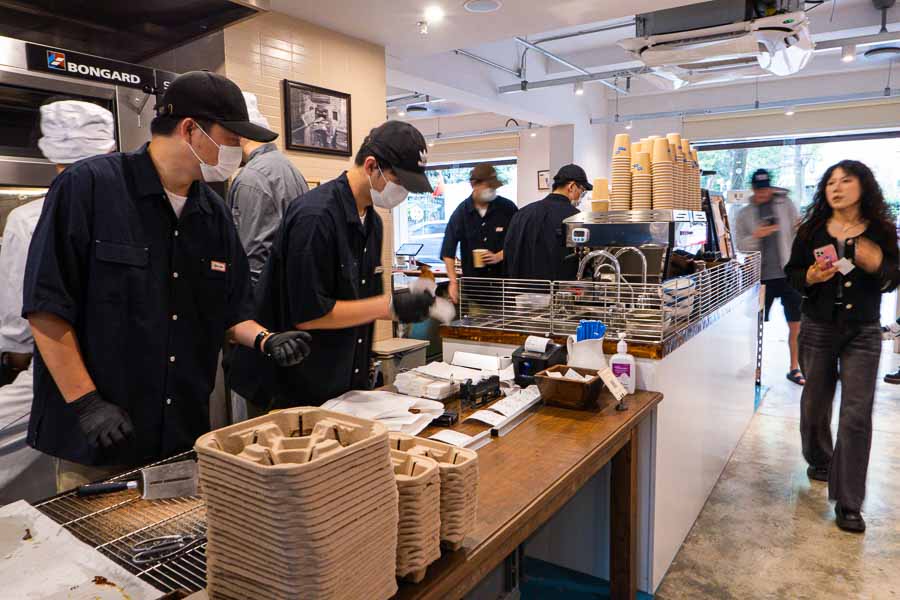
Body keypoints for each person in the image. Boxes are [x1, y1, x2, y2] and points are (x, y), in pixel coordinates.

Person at [22, 71, 312, 491]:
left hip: (178, 437)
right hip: (99, 440)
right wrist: (87, 404)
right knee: (94, 556)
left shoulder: (212, 214)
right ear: (191, 129)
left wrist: (267, 339)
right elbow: (46, 308)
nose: (237, 150)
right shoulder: (87, 188)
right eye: (231, 137)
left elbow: (229, 312)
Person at [229, 120, 438, 410]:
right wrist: (391, 306)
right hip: (289, 385)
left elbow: (357, 303)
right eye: (399, 181)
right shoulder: (315, 218)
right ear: (371, 166)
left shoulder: (372, 224)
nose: (402, 192)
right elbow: (310, 314)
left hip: (340, 387)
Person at [0, 99, 116, 504]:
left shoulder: (27, 219)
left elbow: (18, 329)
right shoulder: (127, 214)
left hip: (54, 373)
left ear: (50, 153)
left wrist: (16, 355)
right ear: (110, 150)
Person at [784, 160, 900, 533]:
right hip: (818, 327)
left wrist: (877, 260)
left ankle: (849, 502)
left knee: (856, 414)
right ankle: (819, 457)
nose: (836, 187)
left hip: (863, 332)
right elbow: (794, 274)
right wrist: (811, 277)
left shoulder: (881, 231)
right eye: (831, 182)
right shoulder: (812, 230)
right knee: (815, 401)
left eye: (845, 181)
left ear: (863, 187)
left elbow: (892, 279)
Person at [229, 92, 309, 287]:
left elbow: (252, 262)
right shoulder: (288, 168)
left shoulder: (252, 178)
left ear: (237, 135)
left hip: (264, 307)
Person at [735, 169, 804, 385]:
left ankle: (795, 367)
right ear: (753, 189)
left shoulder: (786, 205)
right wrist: (757, 235)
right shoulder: (744, 213)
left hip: (789, 274)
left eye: (765, 188)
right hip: (761, 277)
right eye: (758, 189)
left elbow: (798, 232)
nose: (762, 193)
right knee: (756, 324)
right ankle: (755, 367)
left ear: (770, 187)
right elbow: (740, 244)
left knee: (796, 323)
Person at [440, 163, 518, 303]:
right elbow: (448, 249)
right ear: (474, 184)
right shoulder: (461, 213)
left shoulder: (508, 208)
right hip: (475, 291)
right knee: (477, 324)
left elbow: (519, 242)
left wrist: (499, 256)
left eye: (494, 187)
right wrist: (453, 281)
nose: (492, 190)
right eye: (489, 186)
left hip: (505, 289)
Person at [504, 164, 592, 281]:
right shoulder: (575, 218)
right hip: (559, 293)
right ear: (572, 186)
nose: (581, 197)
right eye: (582, 191)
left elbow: (508, 251)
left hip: (521, 293)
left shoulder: (522, 214)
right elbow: (582, 261)